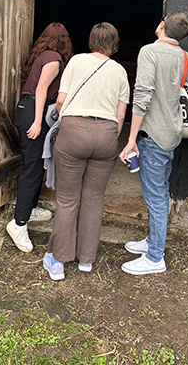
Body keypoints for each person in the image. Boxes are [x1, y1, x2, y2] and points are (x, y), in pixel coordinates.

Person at [118, 12, 188, 275]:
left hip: (152, 136)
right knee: (160, 192)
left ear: (162, 26)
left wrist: (131, 140)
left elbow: (142, 96)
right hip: (172, 136)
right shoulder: (187, 59)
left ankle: (155, 258)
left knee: (155, 197)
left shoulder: (149, 52)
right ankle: (151, 242)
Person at [42, 23, 130, 281]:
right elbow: (120, 113)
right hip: (106, 134)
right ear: (114, 42)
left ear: (92, 40)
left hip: (75, 130)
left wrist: (63, 118)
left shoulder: (78, 61)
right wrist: (109, 135)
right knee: (94, 199)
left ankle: (58, 260)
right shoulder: (120, 71)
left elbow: (60, 99)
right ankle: (86, 260)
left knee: (68, 200)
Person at [6, 23, 74, 253]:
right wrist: (37, 122)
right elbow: (42, 89)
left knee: (36, 164)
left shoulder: (41, 55)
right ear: (64, 41)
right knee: (33, 167)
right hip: (35, 111)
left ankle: (30, 208)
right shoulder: (54, 58)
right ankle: (18, 223)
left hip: (27, 109)